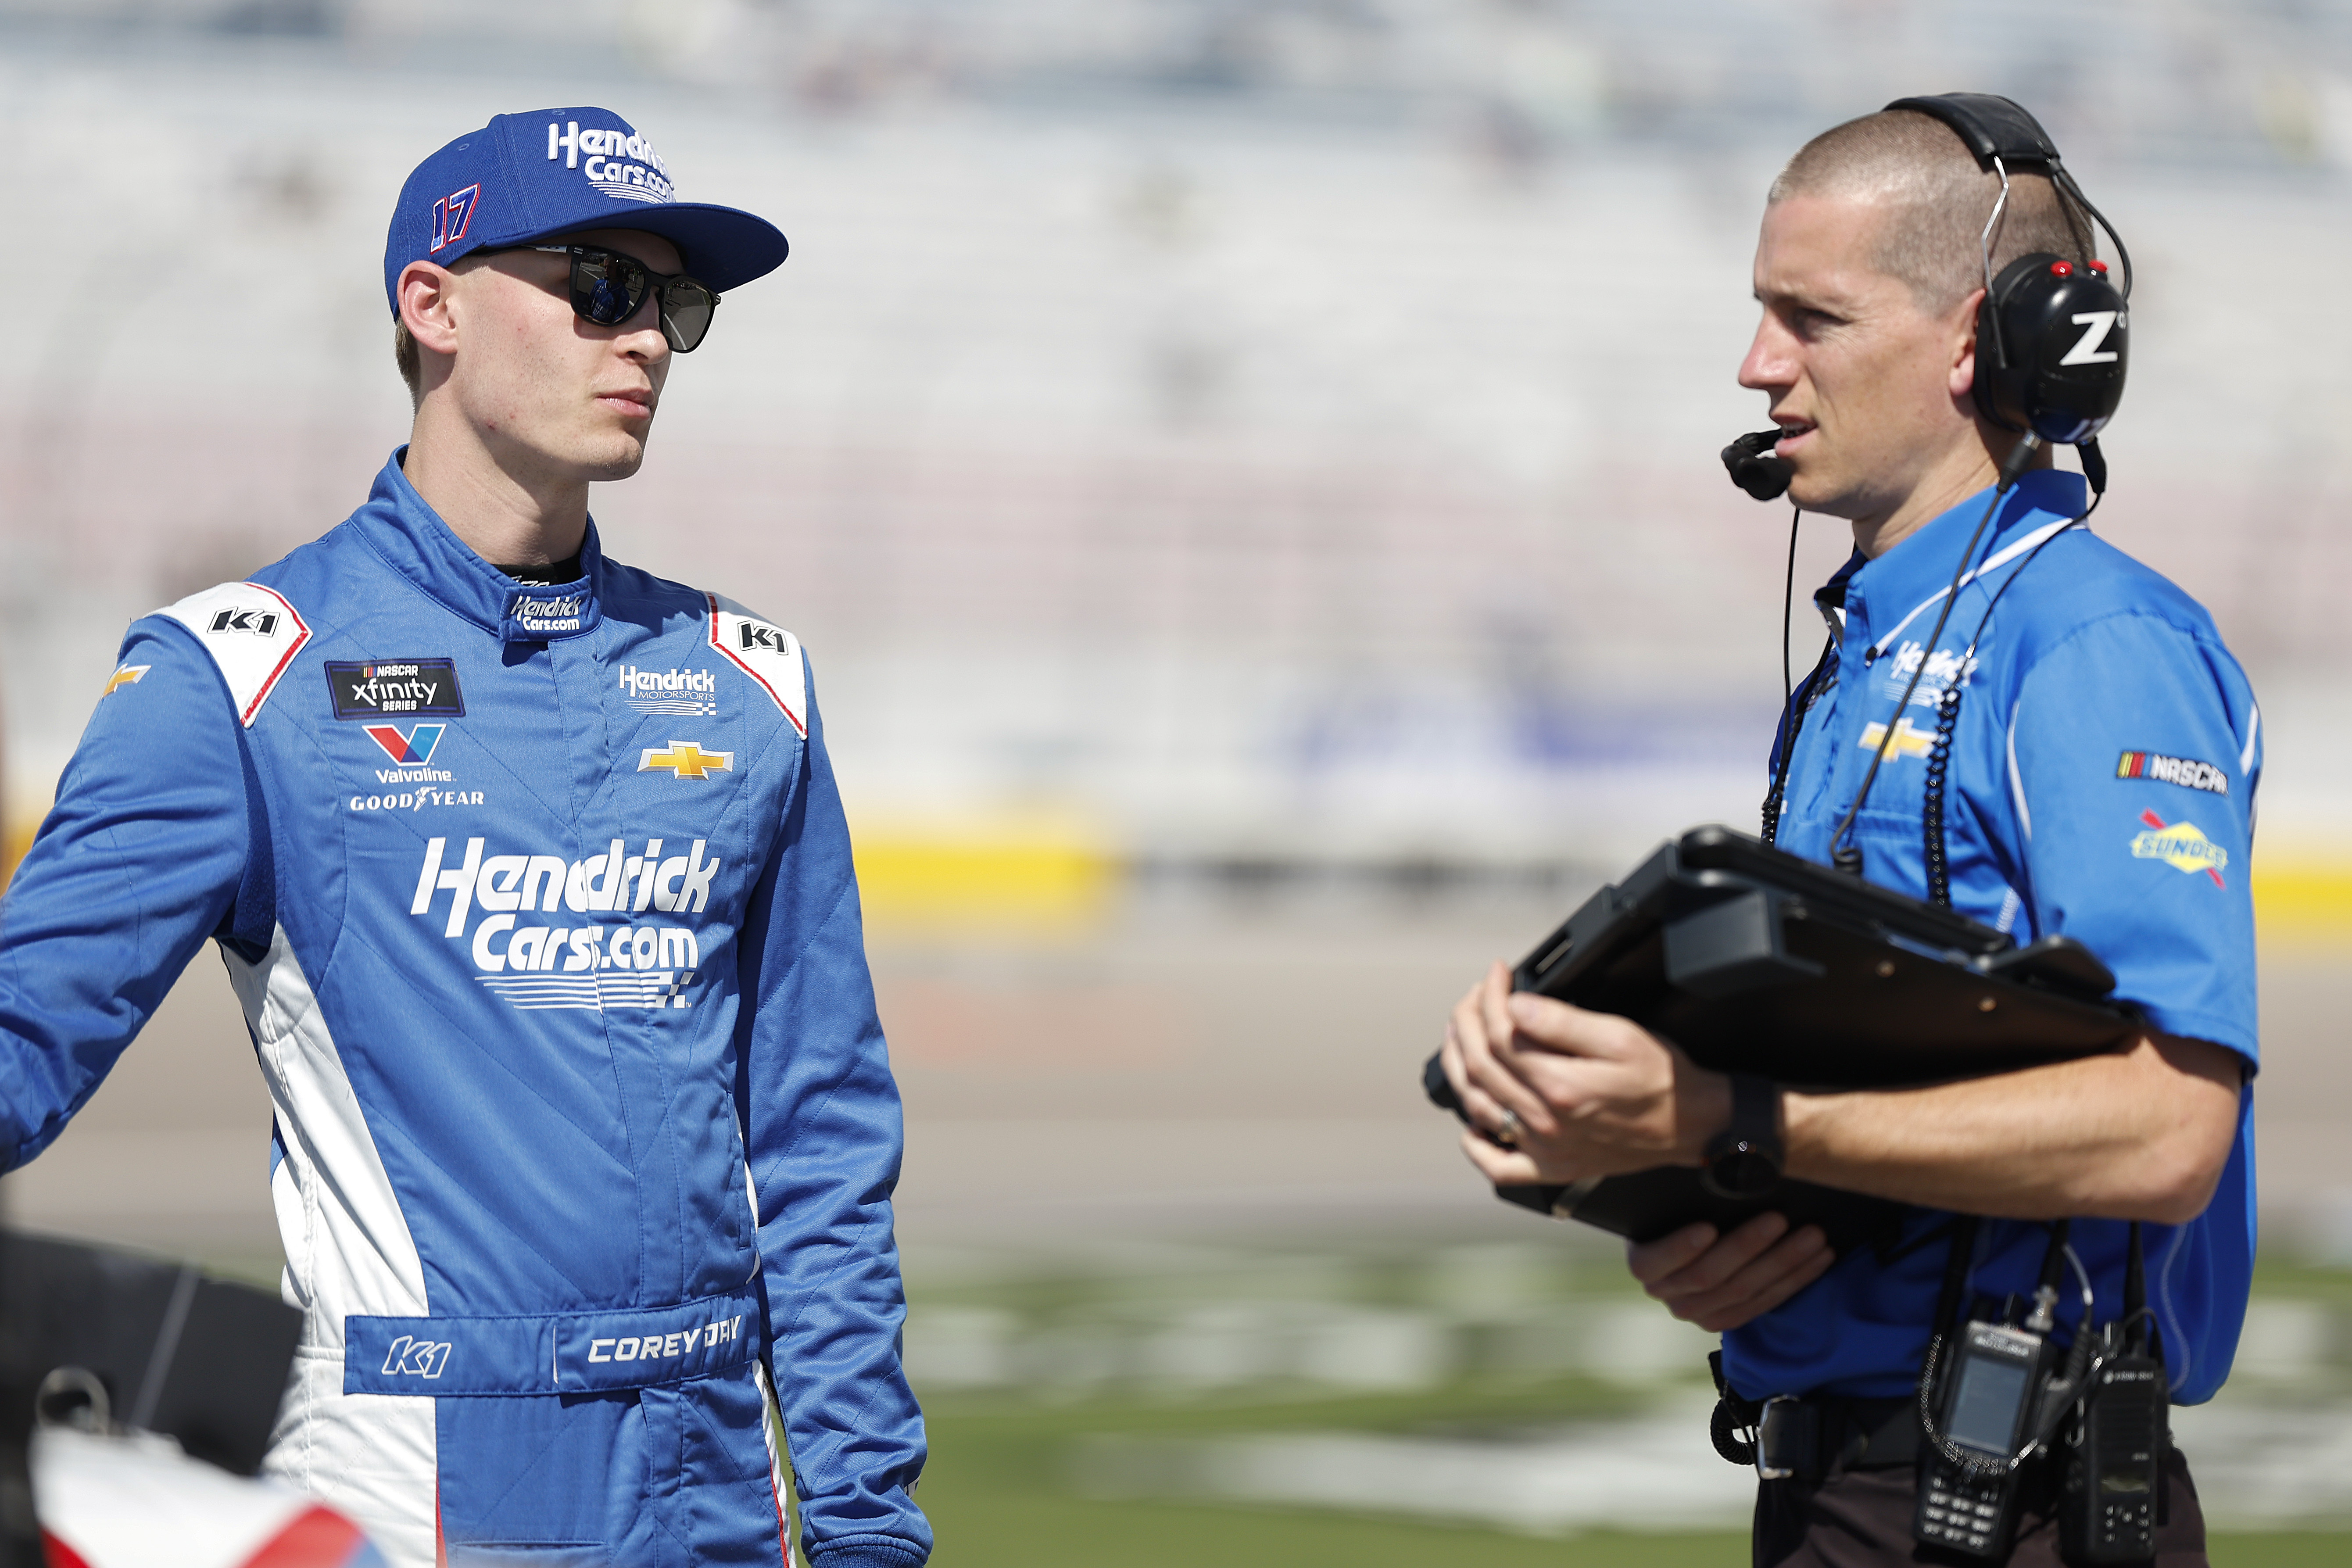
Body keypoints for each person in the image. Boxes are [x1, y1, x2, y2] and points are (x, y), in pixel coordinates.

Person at [0, 107, 930, 1568]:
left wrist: (867, 1527)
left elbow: (819, 1146)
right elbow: (17, 1045)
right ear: (432, 306)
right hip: (414, 1478)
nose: (650, 341)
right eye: (602, 288)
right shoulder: (234, 677)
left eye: (676, 304)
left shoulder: (750, 683)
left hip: (715, 1487)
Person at [1439, 104, 2255, 1566]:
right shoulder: (1867, 648)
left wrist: (1729, 1123)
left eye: (1808, 317)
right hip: (1845, 1491)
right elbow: (1891, 1069)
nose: (1757, 365)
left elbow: (2167, 1129)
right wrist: (1714, 1216)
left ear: (1980, 342)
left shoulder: (2096, 644)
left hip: (2021, 1508)